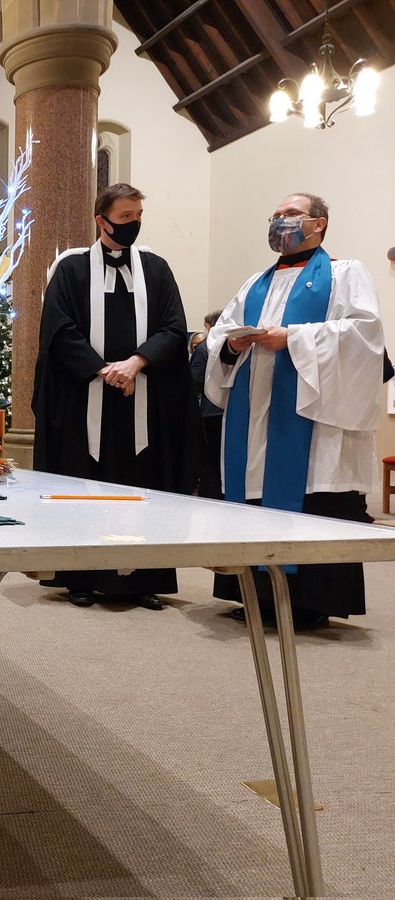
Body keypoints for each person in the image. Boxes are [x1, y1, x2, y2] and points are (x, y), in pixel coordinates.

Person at [204, 192, 383, 629]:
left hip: (310, 416)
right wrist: (230, 343)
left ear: (318, 223)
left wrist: (296, 337)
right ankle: (253, 597)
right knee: (252, 497)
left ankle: (309, 602)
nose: (280, 222)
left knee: (308, 496)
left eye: (290, 215)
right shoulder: (254, 282)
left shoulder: (343, 273)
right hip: (254, 414)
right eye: (276, 215)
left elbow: (365, 334)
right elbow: (220, 333)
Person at [32, 182, 197, 610]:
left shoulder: (157, 269)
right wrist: (103, 369)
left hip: (142, 400)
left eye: (138, 216)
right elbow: (58, 329)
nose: (133, 224)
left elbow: (174, 327)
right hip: (85, 399)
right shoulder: (70, 270)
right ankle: (80, 576)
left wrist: (136, 364)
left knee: (141, 490)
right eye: (125, 218)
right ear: (101, 220)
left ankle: (143, 579)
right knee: (84, 489)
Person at [189, 310, 225, 499]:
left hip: (209, 413)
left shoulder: (204, 349)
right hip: (225, 412)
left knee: (209, 461)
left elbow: (195, 379)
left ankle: (210, 496)